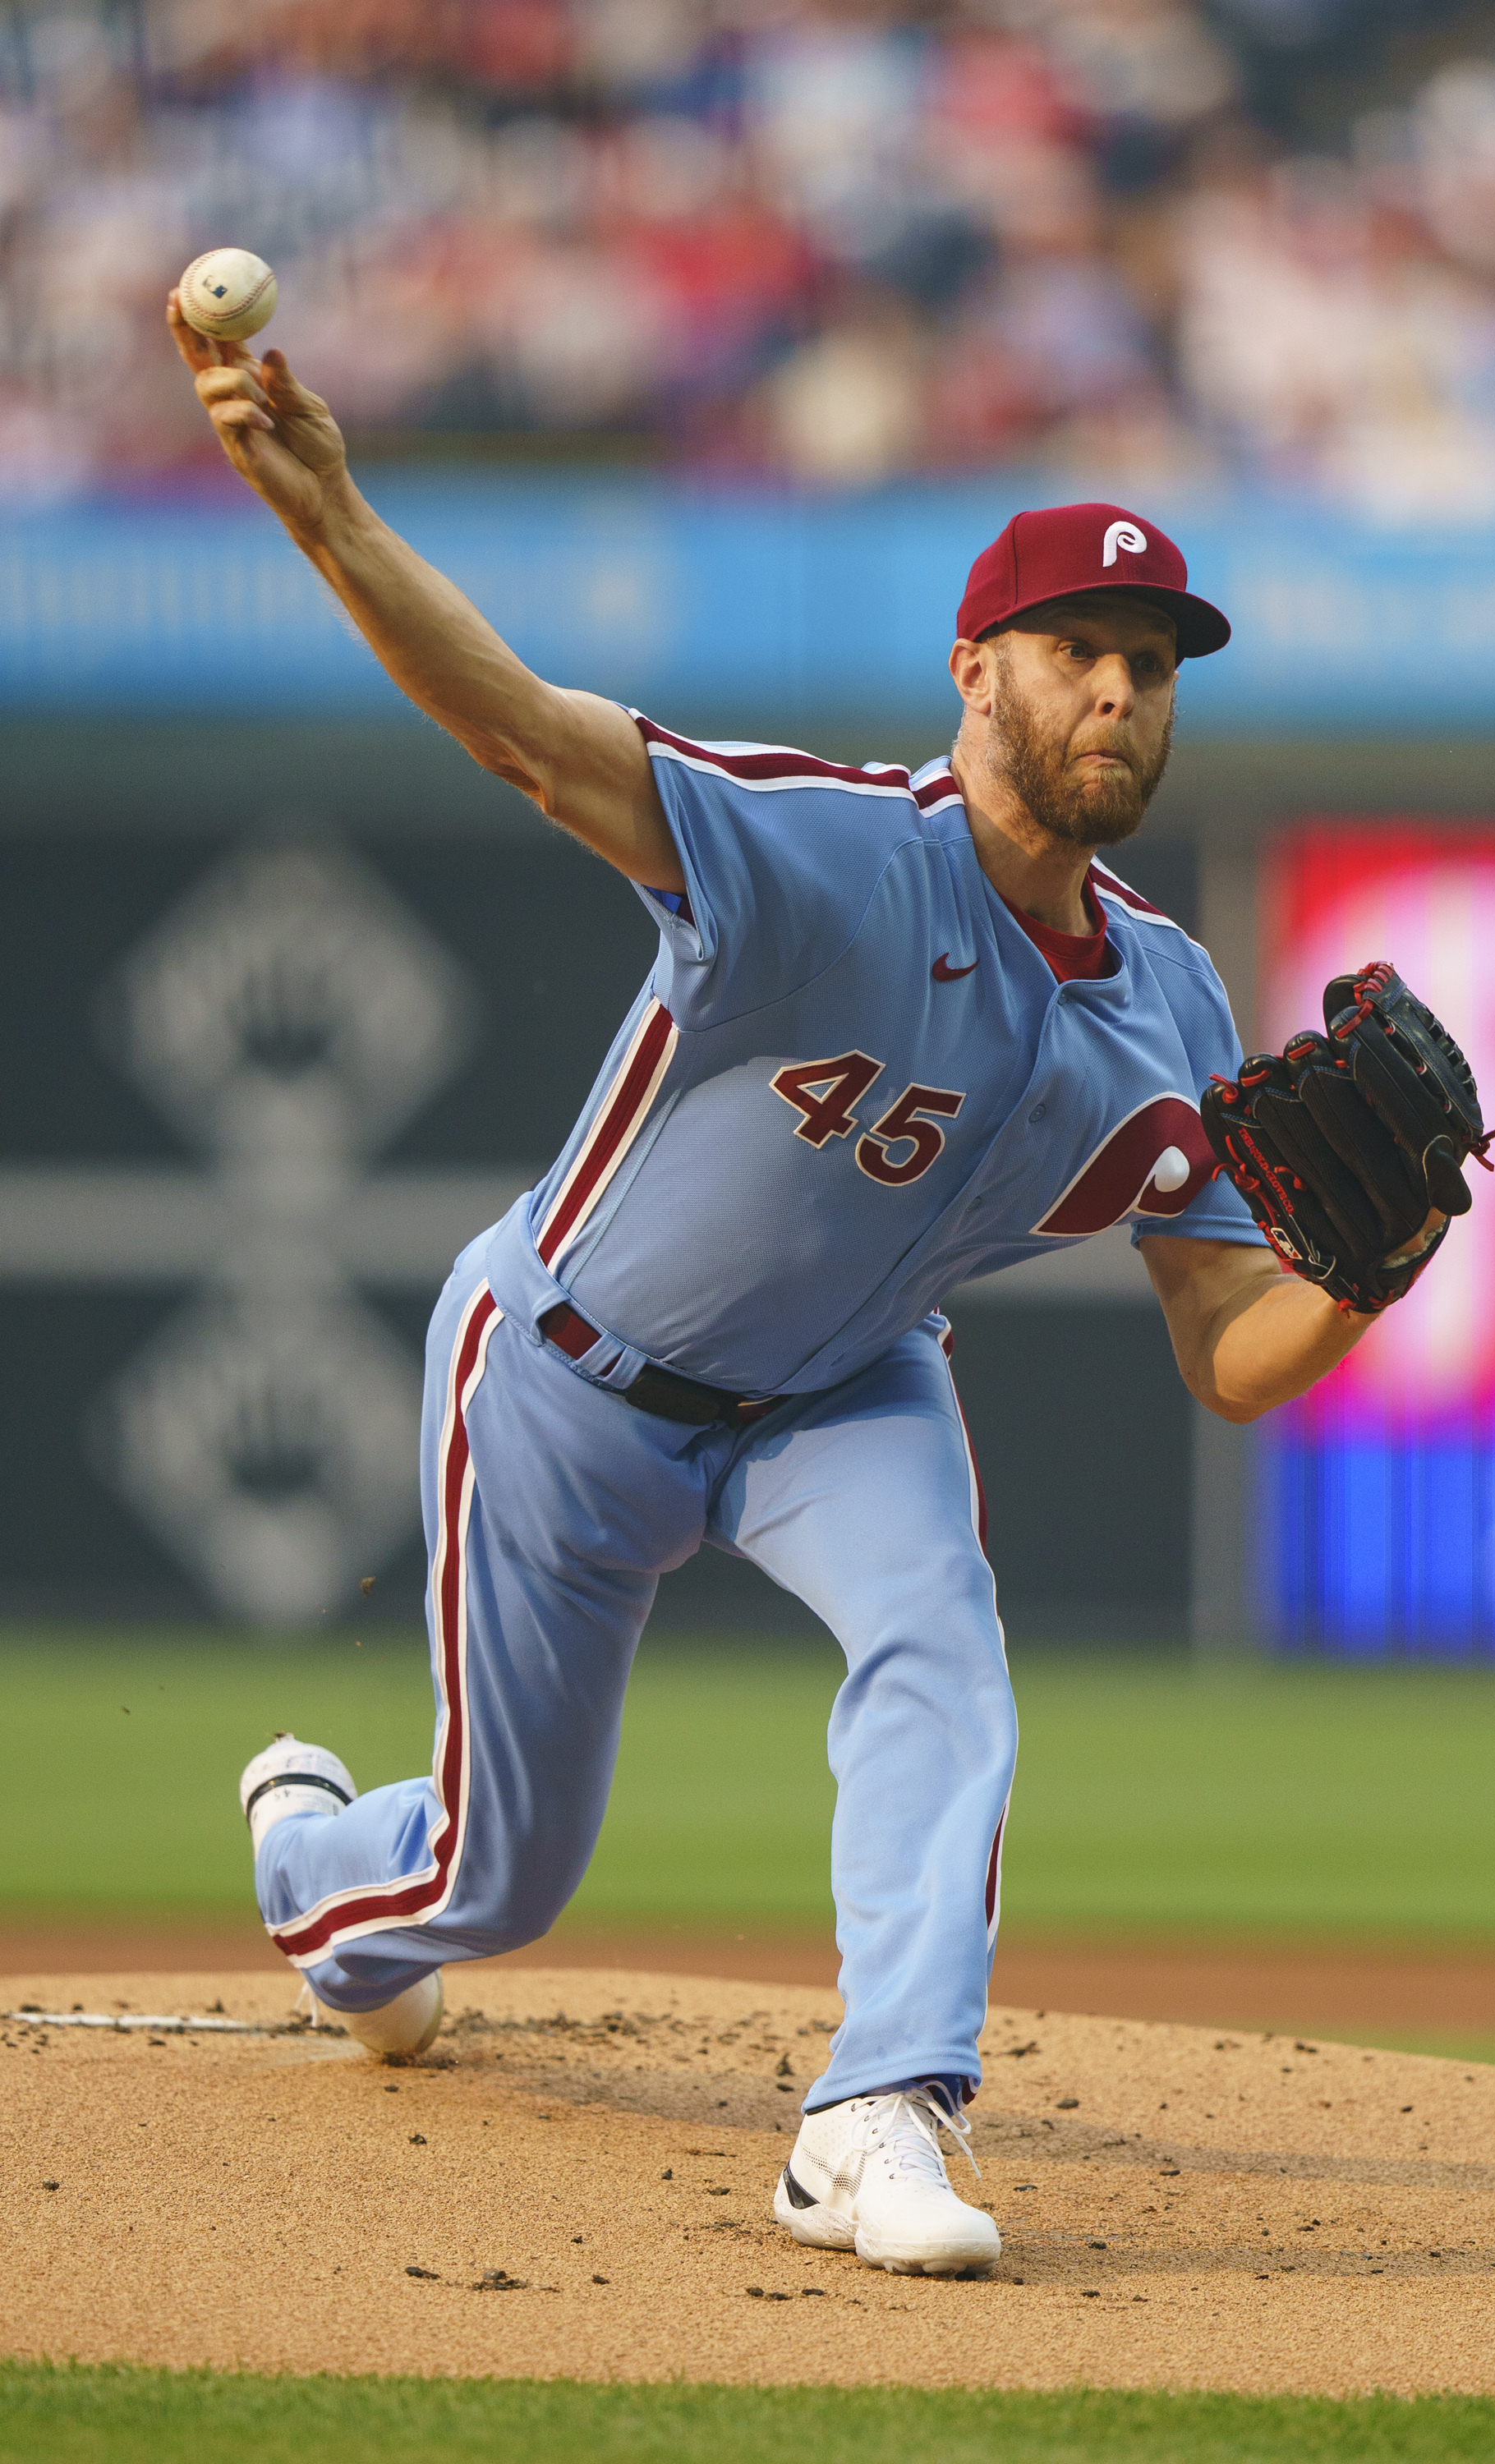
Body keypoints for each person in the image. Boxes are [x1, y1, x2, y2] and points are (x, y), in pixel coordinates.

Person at [176, 299, 1377, 2279]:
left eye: (1152, 663)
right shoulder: (827, 852)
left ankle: (877, 2110)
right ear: (972, 669)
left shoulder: (1167, 999)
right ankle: (320, 1866)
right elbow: (523, 731)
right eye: (1075, 646)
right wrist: (332, 519)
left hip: (844, 1392)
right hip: (567, 1373)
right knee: (494, 1877)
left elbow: (1225, 1352)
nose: (1117, 688)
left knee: (941, 1644)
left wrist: (1359, 1280)